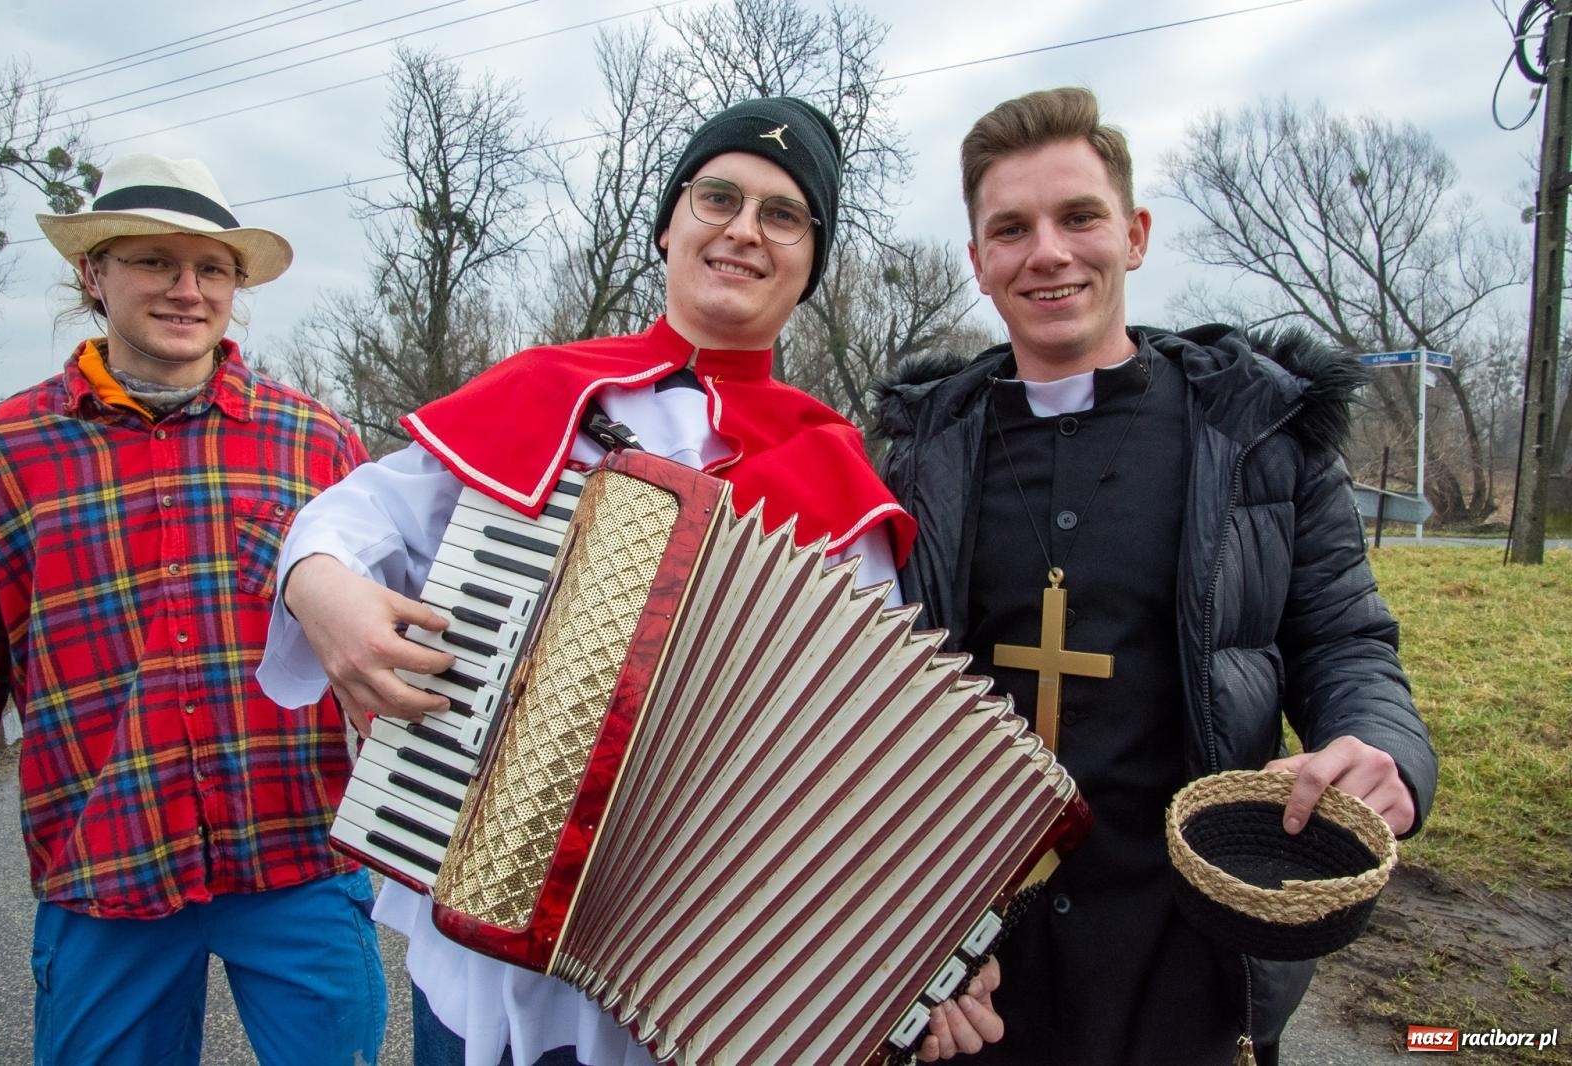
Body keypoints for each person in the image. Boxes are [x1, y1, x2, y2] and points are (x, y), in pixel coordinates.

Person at [258, 97, 1002, 1065]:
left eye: (782, 214)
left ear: (811, 263)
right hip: (480, 952)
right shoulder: (545, 390)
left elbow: (869, 766)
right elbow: (352, 519)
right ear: (667, 223)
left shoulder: (840, 481)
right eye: (718, 197)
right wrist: (322, 587)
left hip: (690, 992)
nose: (742, 229)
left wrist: (923, 954)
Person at [869, 87, 1439, 1066]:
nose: (1046, 251)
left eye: (1078, 216)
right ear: (977, 262)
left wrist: (1381, 751)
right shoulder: (910, 458)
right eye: (1010, 228)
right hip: (967, 973)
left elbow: (1344, 640)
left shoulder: (1260, 437)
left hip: (1181, 955)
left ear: (1132, 235)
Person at [0, 154, 386, 1066]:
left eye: (212, 268)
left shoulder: (316, 442)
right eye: (154, 261)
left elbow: (385, 648)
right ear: (94, 273)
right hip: (106, 862)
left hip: (295, 857)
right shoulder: (1, 453)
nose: (186, 289)